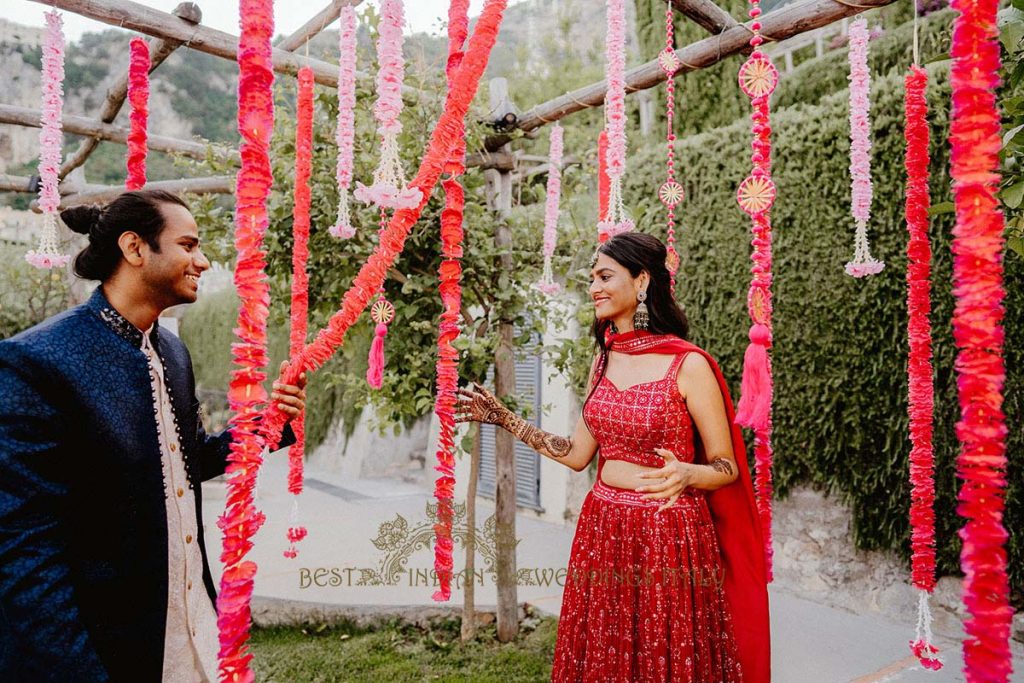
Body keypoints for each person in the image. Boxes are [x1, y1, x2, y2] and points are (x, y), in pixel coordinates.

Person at [0, 190, 306, 682]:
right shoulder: (37, 362)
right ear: (135, 248)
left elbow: (186, 463)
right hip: (108, 647)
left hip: (191, 630)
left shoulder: (172, 352)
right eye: (188, 244)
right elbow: (23, 554)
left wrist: (271, 424)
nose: (202, 261)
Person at [456, 232, 770, 682]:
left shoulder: (689, 364)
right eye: (592, 279)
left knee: (662, 656)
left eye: (606, 276)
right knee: (608, 656)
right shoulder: (603, 360)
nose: (595, 288)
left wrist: (687, 473)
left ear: (642, 282)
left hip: (669, 534)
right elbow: (578, 453)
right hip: (604, 528)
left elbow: (727, 467)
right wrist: (506, 419)